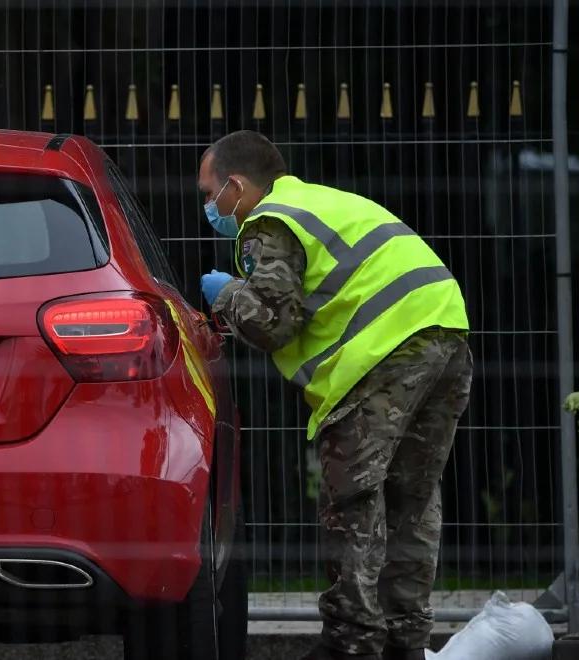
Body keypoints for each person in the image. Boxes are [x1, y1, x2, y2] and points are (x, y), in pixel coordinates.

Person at [197, 131, 473, 660]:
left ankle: (352, 644)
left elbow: (274, 322)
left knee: (353, 502)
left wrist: (228, 292)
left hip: (383, 354)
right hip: (446, 333)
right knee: (411, 502)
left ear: (236, 186)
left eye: (210, 194)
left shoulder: (271, 218)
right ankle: (405, 643)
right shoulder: (323, 200)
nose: (210, 207)